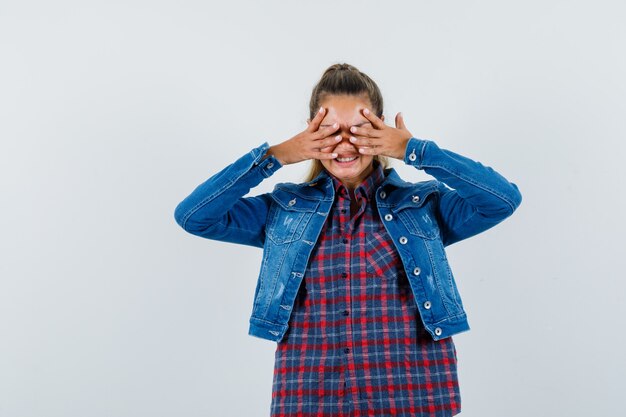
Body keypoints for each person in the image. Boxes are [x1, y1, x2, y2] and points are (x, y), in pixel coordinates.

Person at [173, 63, 522, 417]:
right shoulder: (284, 210)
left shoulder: (422, 206)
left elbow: (502, 200)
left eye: (359, 129)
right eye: (329, 130)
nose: (344, 143)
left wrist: (415, 150)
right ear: (308, 134)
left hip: (413, 394)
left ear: (382, 128)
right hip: (310, 396)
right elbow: (193, 216)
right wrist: (274, 157)